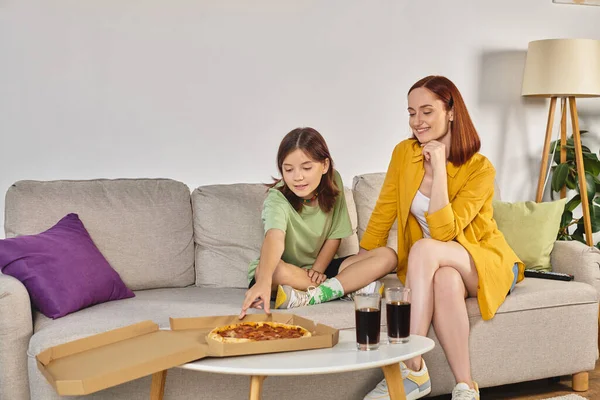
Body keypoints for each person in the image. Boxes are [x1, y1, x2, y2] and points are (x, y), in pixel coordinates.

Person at [362, 76, 523, 400]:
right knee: (445, 281)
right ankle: (466, 386)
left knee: (425, 248)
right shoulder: (403, 154)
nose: (417, 122)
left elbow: (444, 234)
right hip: (440, 266)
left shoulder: (480, 168)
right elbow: (384, 211)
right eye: (411, 113)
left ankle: (411, 366)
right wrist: (365, 265)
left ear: (450, 111)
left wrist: (436, 170)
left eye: (426, 111)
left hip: (483, 260)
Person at [239, 127, 397, 318]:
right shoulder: (276, 198)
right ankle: (345, 287)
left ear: (324, 165)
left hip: (321, 271)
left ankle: (317, 294)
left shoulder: (334, 181)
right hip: (288, 271)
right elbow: (274, 238)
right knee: (274, 271)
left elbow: (334, 236)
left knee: (388, 256)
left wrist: (317, 270)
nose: (298, 177)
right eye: (288, 169)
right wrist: (263, 282)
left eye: (306, 168)